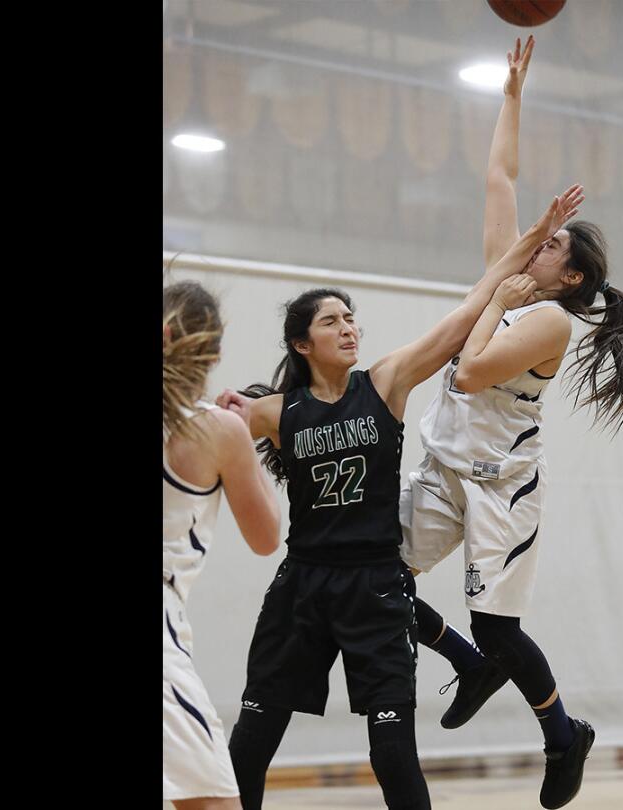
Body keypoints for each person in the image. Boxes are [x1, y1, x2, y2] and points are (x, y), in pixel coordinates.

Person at [215, 188, 585, 810]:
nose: (348, 326)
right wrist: (213, 411)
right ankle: (471, 665)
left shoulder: (385, 381)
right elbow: (192, 430)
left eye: (350, 316)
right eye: (331, 321)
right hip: (301, 587)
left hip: (376, 588)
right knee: (250, 745)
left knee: (392, 755)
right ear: (302, 344)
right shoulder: (275, 412)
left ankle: (477, 670)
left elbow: (472, 306)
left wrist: (534, 236)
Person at [400, 36, 623, 810]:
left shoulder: (549, 320)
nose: (536, 245)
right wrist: (512, 94)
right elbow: (499, 177)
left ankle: (563, 733)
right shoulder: (516, 277)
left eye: (551, 244)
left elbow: (470, 369)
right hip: (445, 465)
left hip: (501, 486)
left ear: (572, 274)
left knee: (499, 629)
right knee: (375, 580)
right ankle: (465, 660)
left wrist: (491, 296)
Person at [163, 281, 284, 809]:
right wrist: (248, 435)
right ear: (212, 353)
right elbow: (266, 537)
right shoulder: (218, 431)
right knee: (212, 802)